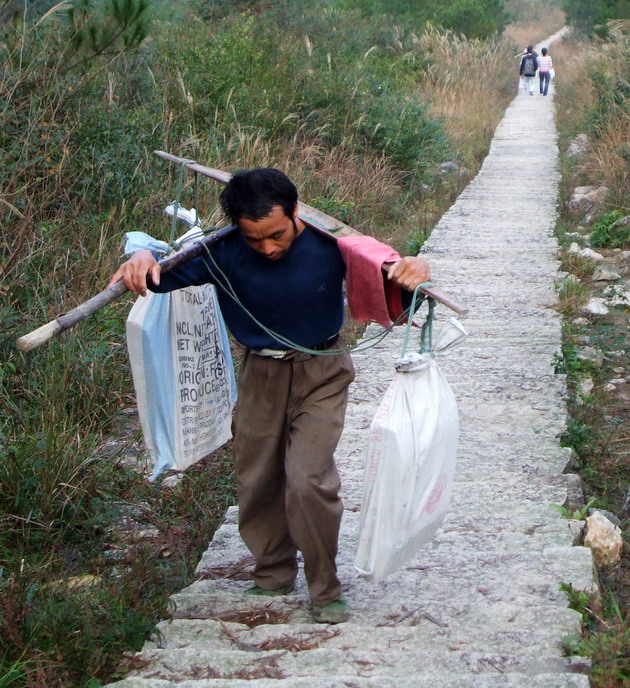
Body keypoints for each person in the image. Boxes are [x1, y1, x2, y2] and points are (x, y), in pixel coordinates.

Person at [109, 168, 431, 624]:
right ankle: (274, 570)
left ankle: (325, 586)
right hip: (260, 373)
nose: (268, 247)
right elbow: (156, 276)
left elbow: (388, 273)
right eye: (254, 239)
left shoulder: (332, 244)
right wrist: (140, 252)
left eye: (277, 235)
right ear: (237, 227)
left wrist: (415, 266)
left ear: (296, 212)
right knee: (257, 478)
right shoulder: (220, 252)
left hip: (322, 371)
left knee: (307, 479)